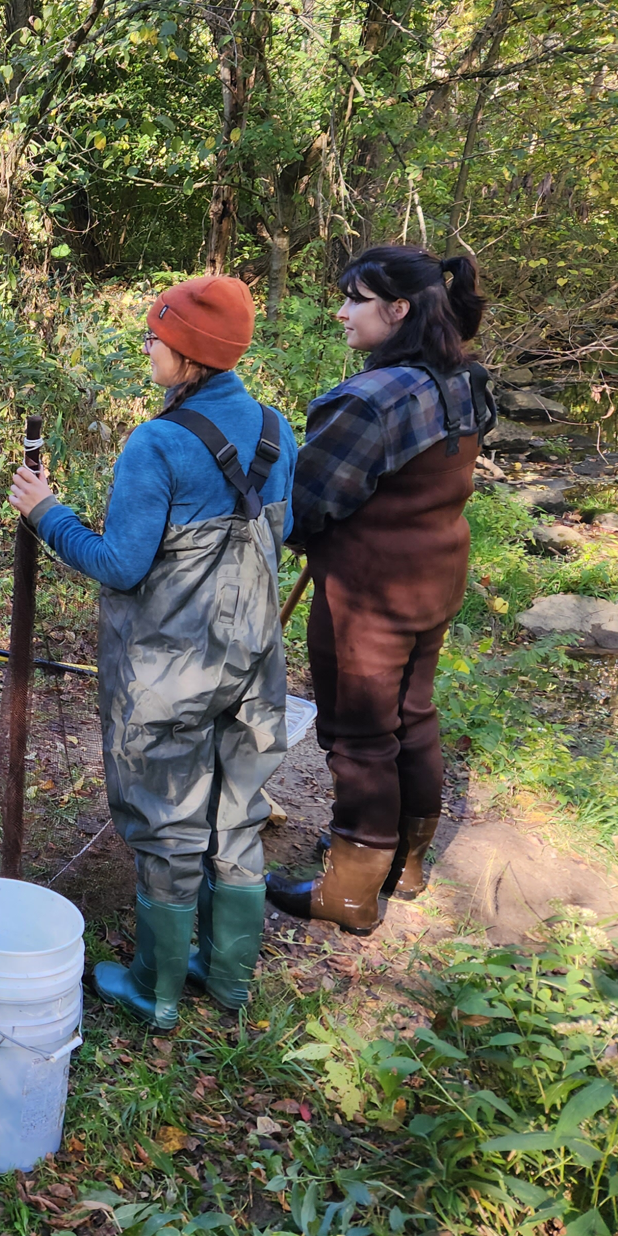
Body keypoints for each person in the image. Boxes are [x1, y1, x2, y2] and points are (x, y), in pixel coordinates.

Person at [10, 275, 296, 1030]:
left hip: (171, 665)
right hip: (253, 657)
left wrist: (47, 513)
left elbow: (120, 565)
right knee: (238, 815)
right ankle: (227, 978)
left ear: (190, 355)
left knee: (168, 822)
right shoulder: (274, 429)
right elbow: (282, 528)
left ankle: (157, 988)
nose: (147, 348)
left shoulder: (158, 443)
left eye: (155, 339)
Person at [267, 247, 492, 936]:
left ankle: (352, 891)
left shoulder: (366, 402)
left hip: (368, 594)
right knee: (413, 715)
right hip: (436, 578)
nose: (340, 310)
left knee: (360, 737)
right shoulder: (468, 381)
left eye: (354, 298)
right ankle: (408, 866)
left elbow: (305, 509)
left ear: (397, 310)